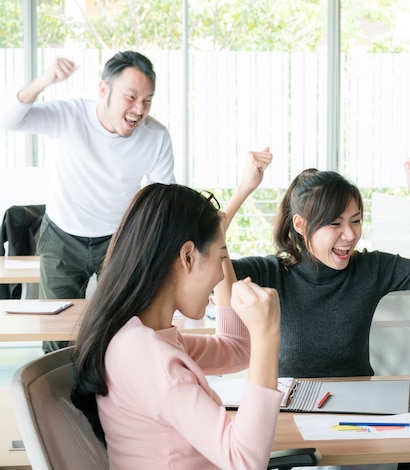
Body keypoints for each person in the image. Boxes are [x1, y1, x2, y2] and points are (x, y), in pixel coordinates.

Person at [71, 183, 283, 469]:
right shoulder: (148, 357)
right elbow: (244, 460)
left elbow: (235, 349)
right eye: (221, 259)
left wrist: (218, 243)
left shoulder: (142, 339)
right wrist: (267, 333)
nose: (222, 275)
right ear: (187, 257)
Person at [231, 158, 410, 379]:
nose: (350, 235)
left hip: (358, 412)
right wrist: (243, 190)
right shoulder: (272, 273)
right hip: (290, 413)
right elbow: (207, 269)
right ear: (301, 225)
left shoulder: (371, 269)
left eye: (356, 221)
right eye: (335, 223)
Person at [0, 51, 175, 353]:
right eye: (130, 97)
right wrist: (45, 80)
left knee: (124, 329)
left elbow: (164, 200)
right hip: (62, 239)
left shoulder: (155, 136)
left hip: (120, 242)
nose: (139, 109)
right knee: (57, 335)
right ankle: (56, 397)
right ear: (104, 90)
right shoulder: (70, 116)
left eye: (147, 100)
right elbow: (9, 120)